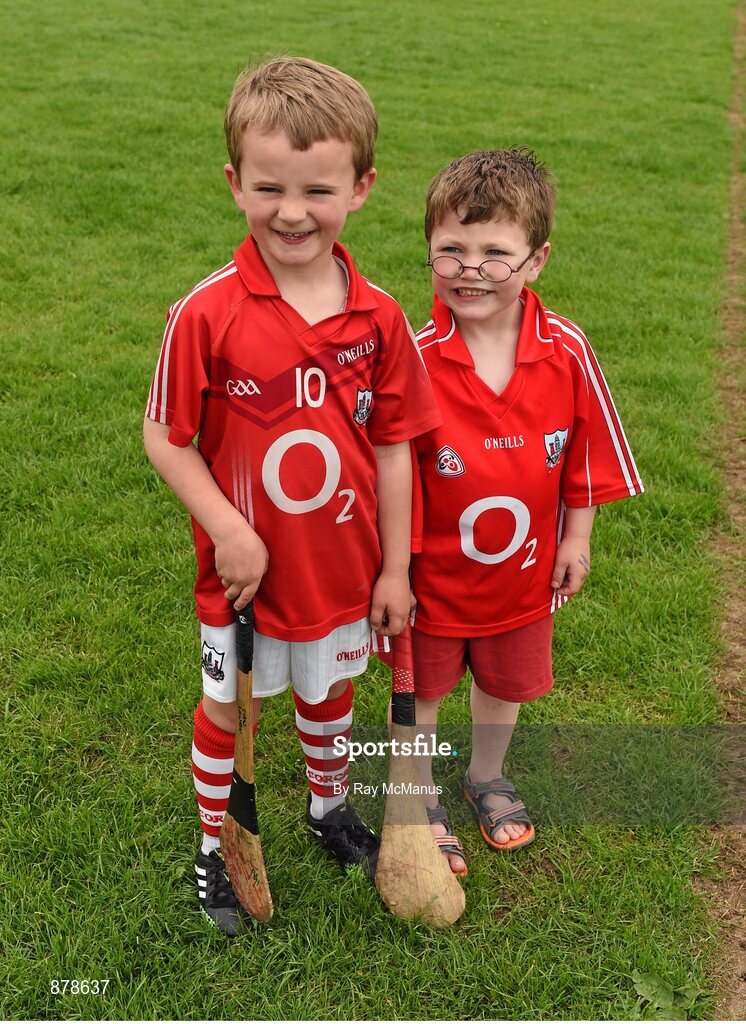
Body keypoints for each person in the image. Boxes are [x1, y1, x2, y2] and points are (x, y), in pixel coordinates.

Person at [143, 55, 441, 934]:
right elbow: (165, 437)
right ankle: (215, 847)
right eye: (268, 187)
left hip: (342, 569)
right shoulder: (206, 312)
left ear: (362, 188)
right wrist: (230, 529)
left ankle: (325, 805)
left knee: (329, 691)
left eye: (318, 190)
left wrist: (395, 569)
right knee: (230, 707)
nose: (292, 212)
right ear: (234, 182)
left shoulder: (381, 317)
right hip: (240, 580)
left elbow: (393, 450)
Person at [409, 148, 644, 874]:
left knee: (504, 684)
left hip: (522, 577)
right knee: (419, 692)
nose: (469, 267)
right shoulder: (411, 357)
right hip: (430, 578)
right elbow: (386, 473)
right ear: (429, 251)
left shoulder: (566, 349)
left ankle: (486, 777)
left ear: (537, 260)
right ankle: (415, 796)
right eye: (451, 248)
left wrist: (577, 538)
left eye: (494, 252)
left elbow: (585, 456)